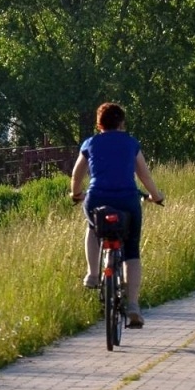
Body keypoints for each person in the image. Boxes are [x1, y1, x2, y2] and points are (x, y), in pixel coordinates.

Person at [69, 102, 164, 327]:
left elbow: (76, 174)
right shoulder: (131, 143)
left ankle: (92, 274)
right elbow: (145, 176)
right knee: (131, 247)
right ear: (121, 122)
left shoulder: (90, 143)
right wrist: (156, 196)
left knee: (93, 227)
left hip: (97, 198)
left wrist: (75, 194)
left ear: (99, 123)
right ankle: (132, 305)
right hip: (127, 199)